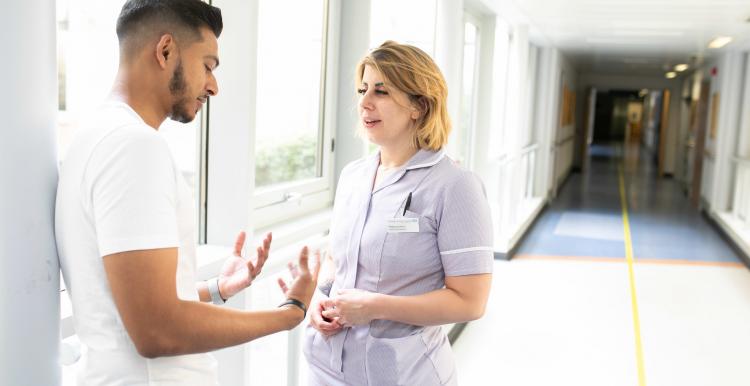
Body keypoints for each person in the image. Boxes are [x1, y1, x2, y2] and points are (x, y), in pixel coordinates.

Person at [55, 1, 319, 385]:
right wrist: (290, 313)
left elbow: (123, 303)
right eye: (208, 65)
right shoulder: (133, 147)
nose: (213, 85)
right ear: (165, 51)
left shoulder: (95, 136)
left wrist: (216, 289)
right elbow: (156, 329)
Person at [303, 41, 494, 385]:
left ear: (418, 106)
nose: (364, 102)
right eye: (362, 89)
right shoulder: (353, 176)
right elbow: (336, 258)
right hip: (327, 367)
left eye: (382, 91)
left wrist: (376, 306)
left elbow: (470, 301)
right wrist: (320, 296)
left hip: (402, 374)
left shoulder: (454, 186)